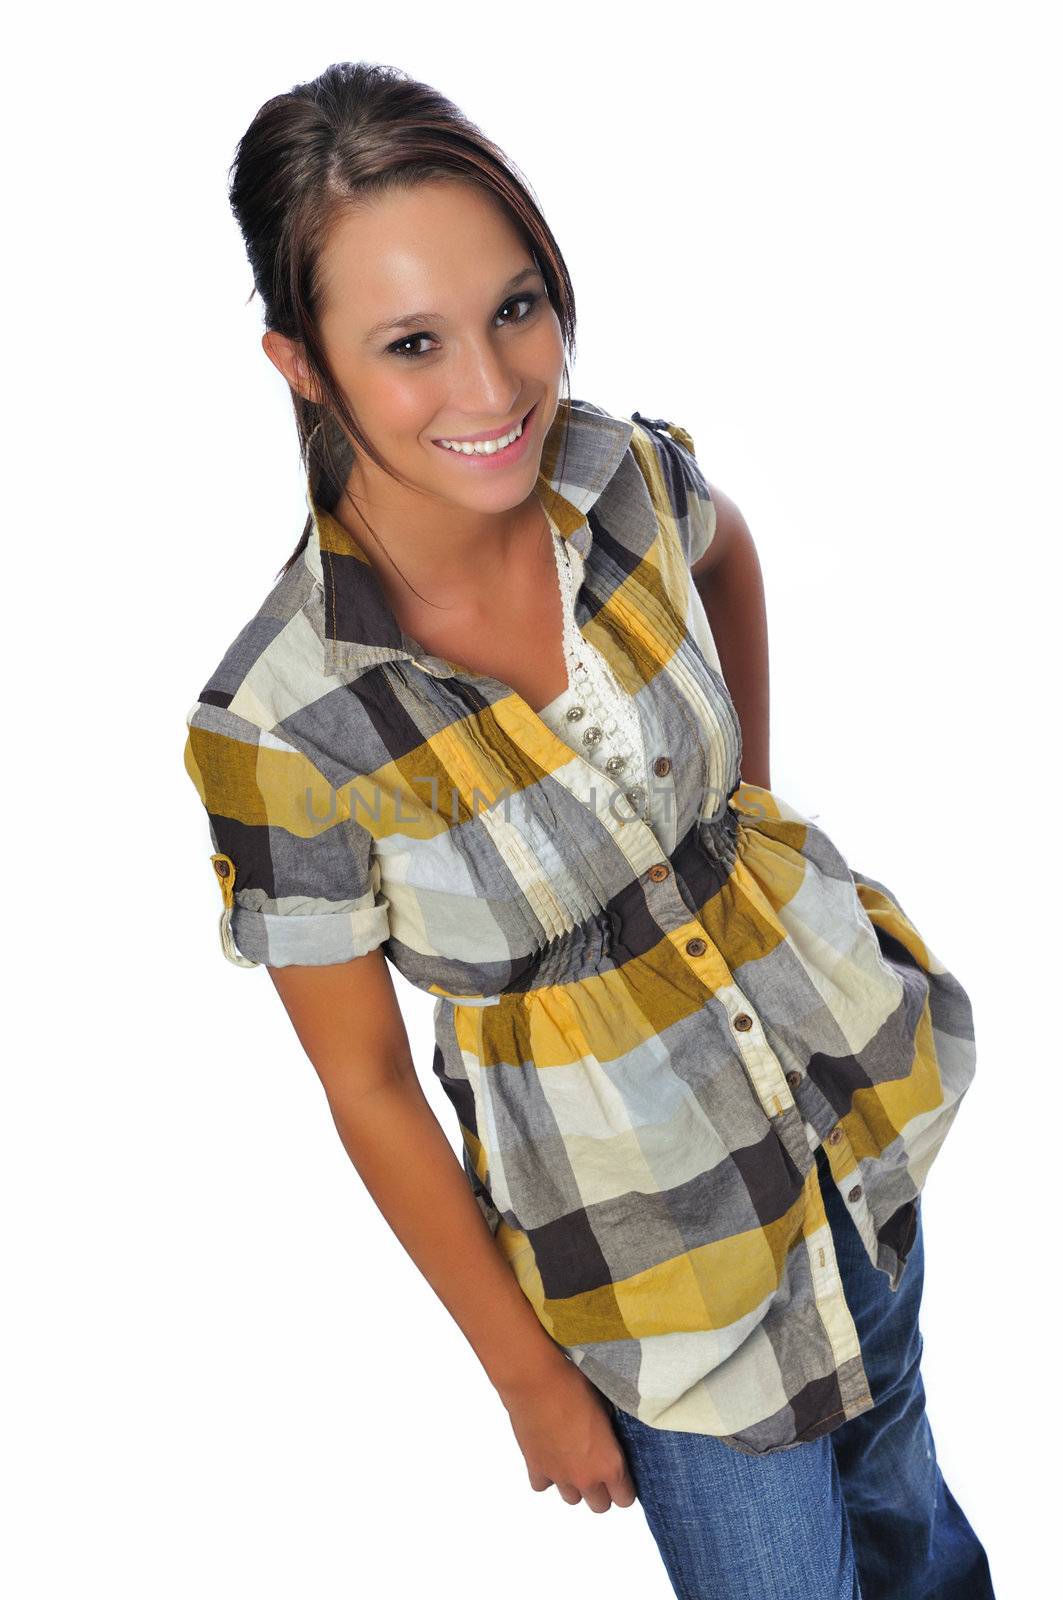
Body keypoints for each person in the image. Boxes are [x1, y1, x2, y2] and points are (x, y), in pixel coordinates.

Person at [182, 60, 996, 1599]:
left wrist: (737, 814)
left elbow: (730, 550)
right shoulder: (282, 725)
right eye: (410, 344)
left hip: (844, 1113)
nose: (494, 391)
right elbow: (363, 1086)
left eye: (517, 308)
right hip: (656, 1271)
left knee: (915, 1529)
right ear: (302, 365)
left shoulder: (612, 473)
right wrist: (525, 1380)